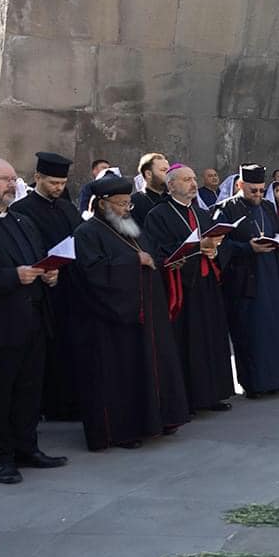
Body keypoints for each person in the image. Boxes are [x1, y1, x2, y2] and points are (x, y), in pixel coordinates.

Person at [0, 158, 67, 483]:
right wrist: (12, 276)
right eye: (3, 179)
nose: (11, 184)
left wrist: (49, 276)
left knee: (29, 390)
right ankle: (1, 457)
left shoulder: (22, 220)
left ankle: (26, 447)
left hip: (31, 320)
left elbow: (36, 261)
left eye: (13, 178)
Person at [71, 175, 189, 449]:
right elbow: (92, 272)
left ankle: (156, 420)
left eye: (128, 204)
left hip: (145, 314)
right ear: (102, 204)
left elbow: (150, 257)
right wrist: (133, 260)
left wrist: (167, 262)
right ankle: (122, 432)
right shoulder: (86, 233)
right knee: (121, 375)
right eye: (121, 204)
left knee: (150, 367)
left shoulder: (130, 227)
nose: (126, 209)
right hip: (112, 321)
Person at [143, 164, 235, 410]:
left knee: (211, 339)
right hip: (183, 288)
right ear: (171, 185)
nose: (194, 184)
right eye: (186, 180)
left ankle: (212, 394)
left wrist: (215, 250)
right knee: (188, 342)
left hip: (207, 286)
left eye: (194, 179)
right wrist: (197, 247)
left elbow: (218, 247)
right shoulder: (158, 214)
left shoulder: (203, 214)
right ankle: (189, 398)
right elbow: (160, 252)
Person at [216, 164, 279, 397]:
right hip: (245, 282)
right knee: (251, 334)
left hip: (272, 279)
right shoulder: (224, 209)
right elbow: (219, 246)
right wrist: (247, 248)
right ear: (240, 186)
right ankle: (254, 385)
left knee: (275, 331)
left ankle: (276, 380)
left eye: (260, 190)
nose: (257, 195)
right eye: (252, 191)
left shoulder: (267, 207)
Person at [8, 152, 84, 421]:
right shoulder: (21, 210)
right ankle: (51, 404)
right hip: (44, 290)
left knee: (73, 345)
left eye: (62, 183)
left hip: (72, 286)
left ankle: (72, 401)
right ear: (37, 177)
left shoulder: (66, 207)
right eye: (52, 183)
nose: (58, 188)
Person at [131, 153, 170, 219]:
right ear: (148, 174)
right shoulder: (134, 202)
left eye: (169, 170)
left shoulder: (174, 198)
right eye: (163, 170)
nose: (168, 174)